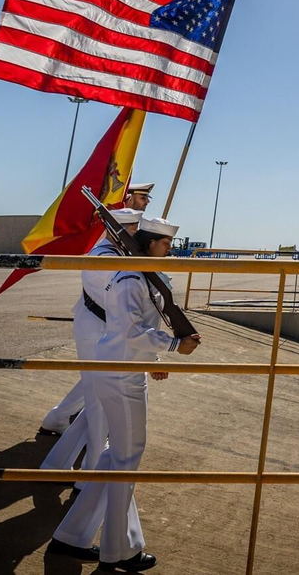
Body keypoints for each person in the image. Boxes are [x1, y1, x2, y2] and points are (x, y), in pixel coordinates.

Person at [49, 216, 200, 571]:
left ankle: (71, 536)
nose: (170, 250)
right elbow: (133, 331)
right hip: (122, 373)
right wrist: (175, 345)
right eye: (165, 244)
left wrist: (153, 356)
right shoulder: (132, 278)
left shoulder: (133, 273)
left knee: (115, 455)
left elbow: (132, 329)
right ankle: (119, 552)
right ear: (148, 244)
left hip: (118, 367)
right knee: (127, 459)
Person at [38, 181, 154, 457]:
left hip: (107, 326)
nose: (147, 202)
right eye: (142, 197)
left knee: (98, 388)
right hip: (97, 321)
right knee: (98, 396)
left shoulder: (122, 248)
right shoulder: (106, 251)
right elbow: (120, 294)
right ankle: (93, 461)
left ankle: (61, 426)